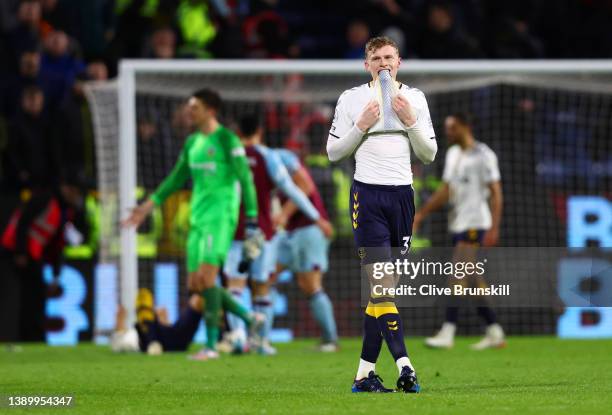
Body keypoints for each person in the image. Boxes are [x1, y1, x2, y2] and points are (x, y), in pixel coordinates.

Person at [326, 36, 437, 392]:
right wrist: (360, 126)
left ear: (399, 61)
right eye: (376, 58)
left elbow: (428, 154)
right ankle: (406, 366)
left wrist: (411, 121)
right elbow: (333, 153)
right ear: (366, 64)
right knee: (381, 287)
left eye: (389, 56)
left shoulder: (415, 99)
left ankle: (363, 375)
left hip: (403, 197)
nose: (383, 63)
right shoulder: (352, 99)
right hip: (368, 197)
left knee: (382, 294)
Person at [122, 88, 264, 360]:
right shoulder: (192, 143)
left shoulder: (226, 139)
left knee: (208, 278)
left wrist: (252, 220)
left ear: (211, 110)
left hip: (220, 217)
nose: (189, 112)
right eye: (189, 107)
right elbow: (174, 180)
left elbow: (245, 179)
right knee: (197, 285)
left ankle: (211, 346)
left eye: (194, 107)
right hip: (197, 220)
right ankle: (249, 318)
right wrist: (146, 207)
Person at [223, 114, 331, 355]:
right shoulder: (268, 157)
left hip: (233, 231)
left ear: (238, 133)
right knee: (262, 286)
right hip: (261, 233)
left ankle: (239, 337)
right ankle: (261, 342)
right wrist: (317, 217)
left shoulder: (229, 157)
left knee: (235, 286)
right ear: (258, 132)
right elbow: (292, 190)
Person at [413, 113, 506, 350]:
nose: (449, 132)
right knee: (474, 280)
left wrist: (494, 226)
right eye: (447, 128)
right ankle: (494, 331)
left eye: (453, 127)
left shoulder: (484, 155)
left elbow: (496, 192)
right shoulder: (453, 155)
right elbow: (447, 191)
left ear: (466, 126)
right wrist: (422, 213)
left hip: (476, 223)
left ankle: (448, 331)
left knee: (457, 274)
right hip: (458, 223)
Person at [273, 147, 338, 352]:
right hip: (291, 233)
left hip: (310, 229)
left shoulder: (281, 157)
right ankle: (257, 338)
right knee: (266, 276)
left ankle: (330, 341)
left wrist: (283, 214)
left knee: (311, 283)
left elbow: (306, 186)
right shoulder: (263, 162)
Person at [111, 289, 203, 355]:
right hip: (173, 342)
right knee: (198, 299)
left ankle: (153, 342)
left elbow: (118, 337)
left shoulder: (126, 336)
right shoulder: (128, 336)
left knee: (199, 299)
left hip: (159, 340)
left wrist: (119, 319)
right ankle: (152, 341)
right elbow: (118, 339)